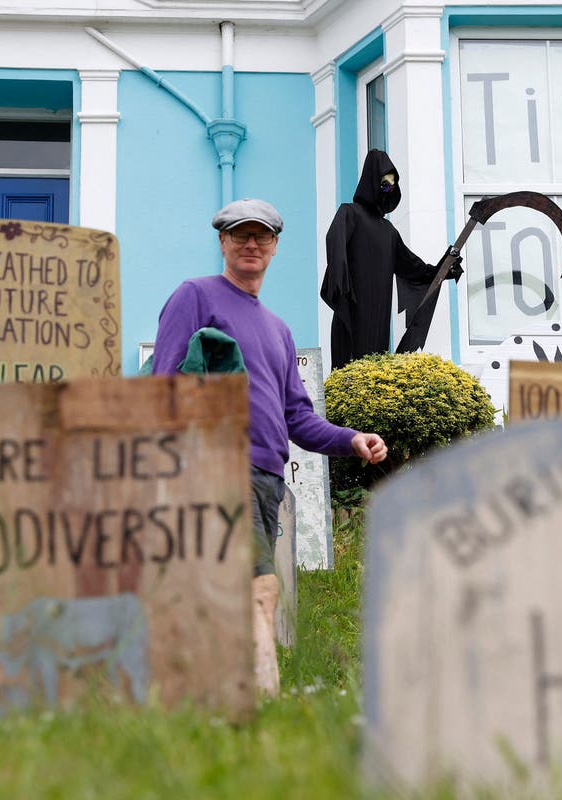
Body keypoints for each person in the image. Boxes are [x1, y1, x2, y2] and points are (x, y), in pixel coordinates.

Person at [152, 198, 388, 697]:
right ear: (223, 242)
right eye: (240, 235)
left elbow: (297, 418)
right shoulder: (195, 296)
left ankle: (205, 694)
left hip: (266, 480)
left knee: (226, 587)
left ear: (276, 246)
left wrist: (351, 440)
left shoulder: (279, 331)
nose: (251, 244)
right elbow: (164, 385)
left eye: (261, 236)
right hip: (215, 469)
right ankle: (263, 696)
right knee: (259, 586)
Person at [321, 149, 461, 370]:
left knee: (375, 372)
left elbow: (414, 269)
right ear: (371, 183)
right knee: (348, 370)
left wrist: (444, 267)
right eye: (384, 184)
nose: (388, 190)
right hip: (352, 310)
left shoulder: (389, 232)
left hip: (378, 317)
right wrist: (342, 290)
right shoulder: (349, 214)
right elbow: (335, 246)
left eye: (392, 185)